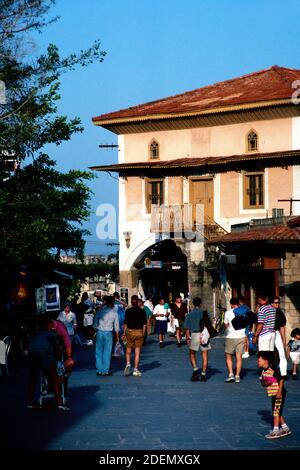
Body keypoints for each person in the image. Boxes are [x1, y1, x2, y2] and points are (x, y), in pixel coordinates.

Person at [27, 316, 69, 411]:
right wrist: (59, 356)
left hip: (32, 354)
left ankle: (29, 402)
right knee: (54, 379)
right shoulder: (51, 334)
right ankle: (60, 404)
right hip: (45, 355)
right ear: (49, 325)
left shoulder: (37, 334)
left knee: (33, 379)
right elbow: (57, 349)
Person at [257, 351, 292, 439]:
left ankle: (276, 431)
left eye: (260, 359)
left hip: (279, 393)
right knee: (276, 411)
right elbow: (265, 383)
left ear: (266, 360)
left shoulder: (273, 369)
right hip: (274, 393)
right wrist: (264, 383)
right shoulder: (263, 371)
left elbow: (281, 379)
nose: (258, 361)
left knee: (276, 411)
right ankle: (285, 428)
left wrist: (279, 392)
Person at [184, 297, 210, 382]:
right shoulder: (204, 313)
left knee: (192, 354)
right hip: (204, 334)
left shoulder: (189, 314)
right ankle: (203, 374)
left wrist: (188, 338)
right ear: (200, 304)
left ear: (193, 304)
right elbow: (208, 324)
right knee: (204, 354)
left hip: (194, 334)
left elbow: (187, 329)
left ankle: (195, 369)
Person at [93, 296, 119, 376]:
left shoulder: (100, 311)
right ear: (113, 303)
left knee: (98, 351)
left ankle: (99, 370)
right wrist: (117, 338)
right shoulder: (114, 313)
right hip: (109, 333)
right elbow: (116, 327)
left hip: (100, 332)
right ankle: (105, 370)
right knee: (107, 352)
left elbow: (95, 321)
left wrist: (95, 329)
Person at [123, 295, 147, 377]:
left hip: (130, 331)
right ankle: (136, 369)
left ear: (131, 301)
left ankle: (128, 363)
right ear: (138, 302)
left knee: (128, 350)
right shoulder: (142, 311)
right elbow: (144, 324)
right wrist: (143, 334)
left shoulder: (128, 311)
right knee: (137, 352)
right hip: (139, 332)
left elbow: (125, 323)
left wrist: (123, 333)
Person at [224, 297, 246, 383]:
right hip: (241, 336)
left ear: (231, 304)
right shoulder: (244, 312)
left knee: (228, 356)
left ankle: (231, 374)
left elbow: (226, 325)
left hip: (231, 336)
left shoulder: (227, 313)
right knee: (239, 357)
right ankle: (237, 375)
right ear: (239, 303)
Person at [271, 296, 288, 378]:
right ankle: (266, 372)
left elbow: (282, 326)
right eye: (276, 302)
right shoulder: (268, 312)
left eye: (278, 302)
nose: (278, 304)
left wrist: (284, 339)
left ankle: (283, 373)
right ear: (272, 304)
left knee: (282, 353)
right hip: (268, 333)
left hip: (276, 333)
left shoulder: (280, 313)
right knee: (268, 353)